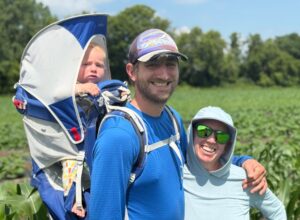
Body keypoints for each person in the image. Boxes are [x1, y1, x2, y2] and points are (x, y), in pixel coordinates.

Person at [89, 28, 267, 219]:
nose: (164, 74)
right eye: (153, 64)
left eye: (171, 64)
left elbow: (197, 162)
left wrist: (242, 161)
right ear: (132, 72)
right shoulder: (119, 136)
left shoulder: (172, 118)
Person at [183, 106, 286, 219]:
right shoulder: (176, 174)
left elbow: (277, 211)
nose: (211, 140)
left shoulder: (246, 180)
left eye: (221, 136)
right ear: (191, 134)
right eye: (203, 131)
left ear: (228, 145)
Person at [62, 42, 110, 218]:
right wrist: (80, 88)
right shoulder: (70, 85)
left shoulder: (103, 88)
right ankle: (73, 201)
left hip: (94, 145)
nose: (93, 69)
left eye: (99, 65)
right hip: (71, 147)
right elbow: (56, 92)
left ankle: (90, 199)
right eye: (86, 64)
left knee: (96, 176)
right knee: (70, 167)